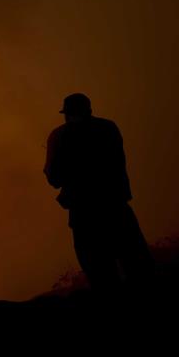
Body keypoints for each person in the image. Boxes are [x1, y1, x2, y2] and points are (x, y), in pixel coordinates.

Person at [44, 93, 153, 298]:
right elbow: (118, 164)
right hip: (116, 208)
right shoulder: (108, 128)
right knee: (138, 268)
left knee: (102, 277)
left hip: (84, 215)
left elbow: (53, 178)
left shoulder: (59, 137)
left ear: (66, 114)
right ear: (90, 110)